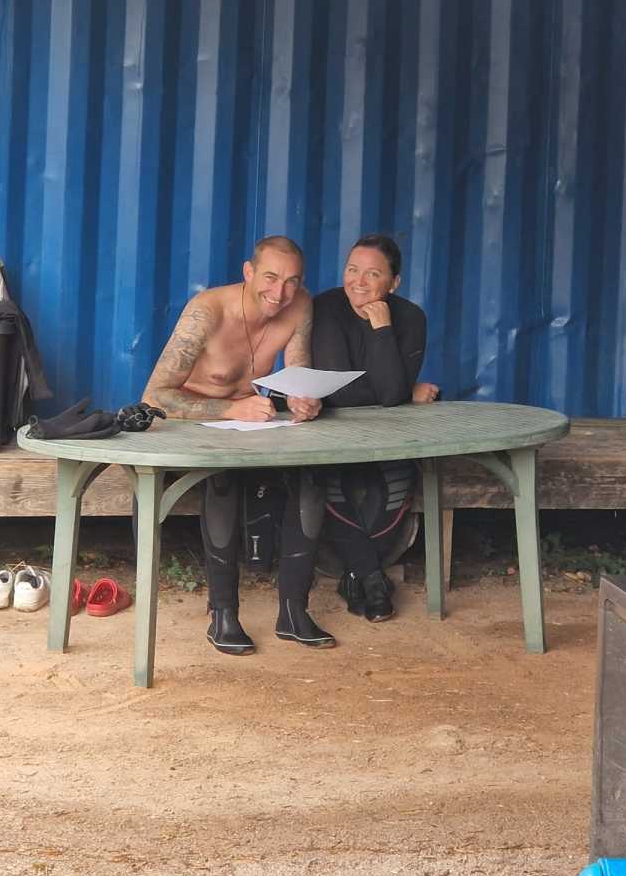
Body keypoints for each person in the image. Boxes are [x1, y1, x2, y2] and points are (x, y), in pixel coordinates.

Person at [142, 236, 335, 656]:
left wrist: (304, 400)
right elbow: (155, 397)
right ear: (248, 272)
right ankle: (223, 614)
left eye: (292, 281)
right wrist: (230, 409)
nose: (280, 292)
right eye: (270, 277)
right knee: (224, 479)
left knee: (312, 476)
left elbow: (297, 373)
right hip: (191, 423)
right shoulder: (207, 311)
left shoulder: (300, 304)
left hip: (249, 421)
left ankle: (294, 611)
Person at [312, 234, 439, 623]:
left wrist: (381, 329)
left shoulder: (410, 317)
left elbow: (389, 397)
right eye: (352, 270)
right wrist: (402, 390)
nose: (359, 282)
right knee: (327, 479)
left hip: (388, 434)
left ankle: (357, 576)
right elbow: (340, 392)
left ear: (394, 282)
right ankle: (372, 579)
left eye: (373, 273)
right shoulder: (327, 308)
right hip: (328, 431)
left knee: (397, 478)